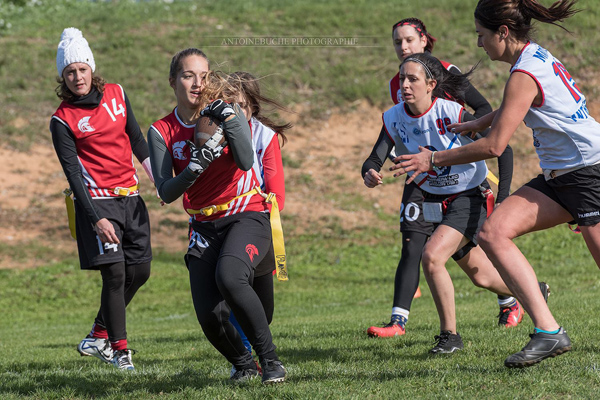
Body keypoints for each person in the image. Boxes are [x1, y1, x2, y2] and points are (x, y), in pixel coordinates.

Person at [394, 0, 598, 367]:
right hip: (560, 174)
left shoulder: (523, 73)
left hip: (586, 172)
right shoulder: (533, 57)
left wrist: (432, 158)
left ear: (503, 33)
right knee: (492, 233)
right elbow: (516, 108)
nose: (479, 45)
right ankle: (549, 332)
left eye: (482, 35)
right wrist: (476, 122)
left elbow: (494, 146)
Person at [366, 17, 526, 340]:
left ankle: (516, 297)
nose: (403, 47)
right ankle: (399, 322)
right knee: (415, 244)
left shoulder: (446, 78)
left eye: (409, 40)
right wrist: (376, 165)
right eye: (397, 42)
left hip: (462, 175)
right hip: (423, 177)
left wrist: (461, 132)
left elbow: (487, 116)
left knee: (464, 265)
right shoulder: (398, 85)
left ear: (424, 41)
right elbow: (395, 131)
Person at [147, 51, 287, 384]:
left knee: (230, 277)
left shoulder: (226, 110)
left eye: (204, 75)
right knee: (208, 312)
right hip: (202, 225)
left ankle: (271, 362)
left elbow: (244, 160)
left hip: (245, 215)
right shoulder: (161, 130)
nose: (198, 83)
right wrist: (194, 168)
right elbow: (166, 192)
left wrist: (230, 122)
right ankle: (242, 364)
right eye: (188, 75)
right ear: (172, 81)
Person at [50, 27, 153, 370]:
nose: (77, 77)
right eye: (69, 72)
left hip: (131, 197)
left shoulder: (118, 95)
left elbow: (137, 140)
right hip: (98, 203)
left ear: (91, 68)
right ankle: (120, 351)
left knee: (140, 271)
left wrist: (160, 180)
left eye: (81, 69)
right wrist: (96, 218)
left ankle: (97, 334)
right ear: (62, 78)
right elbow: (73, 174)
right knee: (115, 275)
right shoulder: (62, 120)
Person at [224, 71, 291, 377]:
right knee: (234, 286)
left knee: (264, 310)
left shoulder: (265, 135)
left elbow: (277, 193)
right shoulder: (213, 131)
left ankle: (254, 347)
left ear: (251, 105)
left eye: (238, 104)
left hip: (258, 221)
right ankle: (246, 361)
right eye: (226, 104)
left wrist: (256, 208)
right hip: (224, 224)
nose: (232, 111)